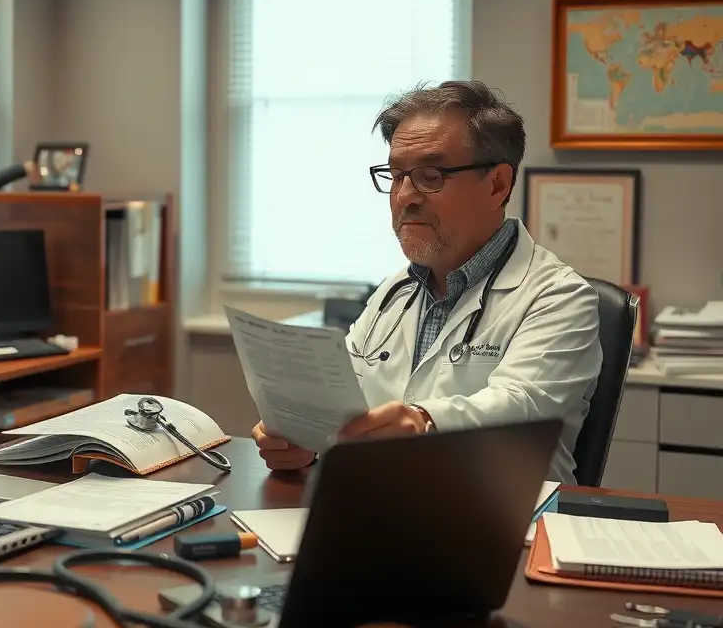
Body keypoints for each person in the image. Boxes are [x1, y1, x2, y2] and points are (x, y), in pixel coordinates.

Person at [252, 80, 603, 486]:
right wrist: (304, 439)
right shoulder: (393, 293)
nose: (404, 196)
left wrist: (424, 421)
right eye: (396, 175)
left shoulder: (558, 297)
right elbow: (340, 402)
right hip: (388, 509)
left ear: (497, 185)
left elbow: (521, 408)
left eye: (430, 176)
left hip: (509, 520)